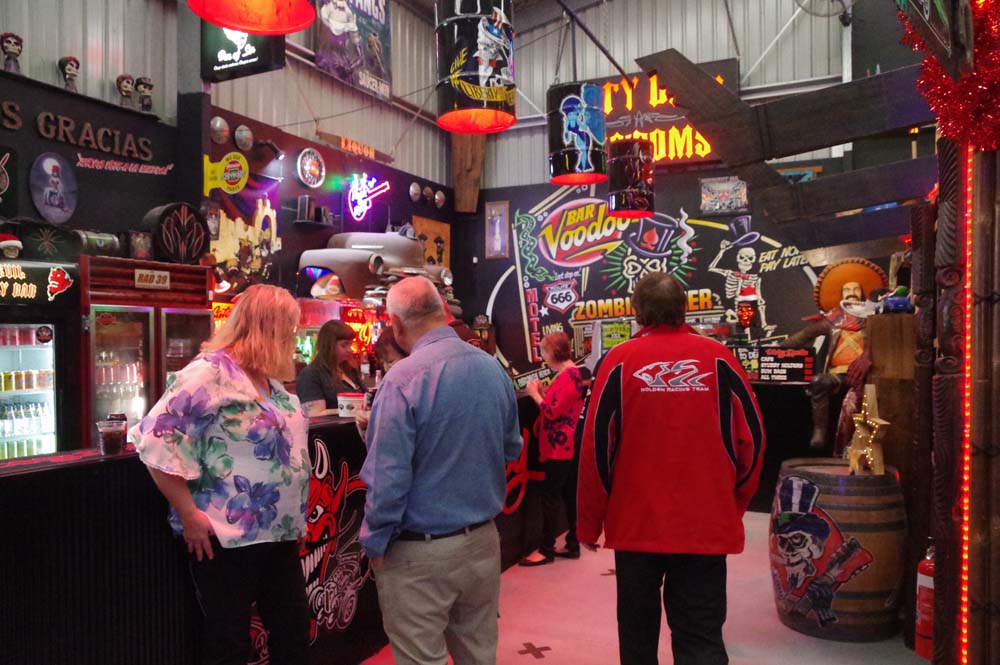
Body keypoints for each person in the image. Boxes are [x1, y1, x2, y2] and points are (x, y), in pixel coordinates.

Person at [577, 272, 765, 665]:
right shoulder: (719, 357)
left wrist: (588, 523)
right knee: (700, 638)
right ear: (684, 308)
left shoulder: (618, 361)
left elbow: (595, 449)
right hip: (704, 524)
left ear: (637, 312)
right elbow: (754, 440)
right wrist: (732, 504)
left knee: (637, 638)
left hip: (636, 527)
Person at [129, 284, 311, 665]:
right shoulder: (211, 372)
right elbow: (156, 440)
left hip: (278, 533)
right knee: (227, 644)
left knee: (293, 634)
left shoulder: (266, 378)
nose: (293, 337)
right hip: (226, 537)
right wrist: (188, 514)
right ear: (268, 327)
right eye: (289, 328)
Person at [360, 276, 522, 665]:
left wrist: (375, 543)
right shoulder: (491, 368)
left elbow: (387, 480)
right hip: (482, 540)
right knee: (479, 654)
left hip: (418, 552)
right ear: (442, 311)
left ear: (395, 325)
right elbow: (511, 448)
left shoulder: (401, 380)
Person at [519, 332, 587, 566]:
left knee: (550, 497)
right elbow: (561, 404)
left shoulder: (569, 375)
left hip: (560, 446)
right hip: (566, 444)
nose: (542, 356)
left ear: (552, 352)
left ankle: (545, 549)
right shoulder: (573, 373)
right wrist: (543, 394)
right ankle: (572, 542)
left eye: (543, 351)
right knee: (567, 496)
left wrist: (534, 395)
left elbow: (551, 412)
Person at [296, 320, 365, 416]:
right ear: (329, 346)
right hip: (332, 425)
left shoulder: (350, 370)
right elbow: (314, 414)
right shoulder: (310, 374)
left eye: (350, 345)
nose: (350, 350)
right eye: (344, 345)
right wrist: (350, 410)